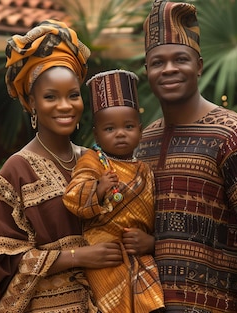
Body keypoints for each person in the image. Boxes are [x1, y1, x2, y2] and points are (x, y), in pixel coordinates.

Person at [133, 1, 237, 312]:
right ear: (147, 70)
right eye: (158, 62)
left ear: (199, 65)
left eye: (181, 59)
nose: (170, 69)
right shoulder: (143, 142)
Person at [0, 20, 124, 313]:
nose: (65, 106)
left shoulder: (95, 160)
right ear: (31, 103)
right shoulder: (15, 171)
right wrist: (78, 257)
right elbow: (2, 261)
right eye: (50, 97)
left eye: (73, 95)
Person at [63, 69, 164, 313]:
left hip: (140, 254)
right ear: (96, 133)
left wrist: (151, 242)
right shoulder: (93, 160)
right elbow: (72, 196)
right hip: (104, 253)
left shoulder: (145, 169)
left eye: (128, 126)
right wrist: (97, 190)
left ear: (139, 131)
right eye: (109, 129)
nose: (120, 133)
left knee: (152, 304)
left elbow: (158, 213)